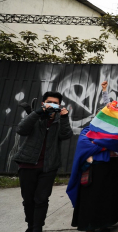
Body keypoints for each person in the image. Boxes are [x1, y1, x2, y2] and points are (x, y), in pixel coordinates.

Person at [68, 81, 118, 232]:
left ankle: (105, 223)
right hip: (94, 170)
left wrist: (99, 143)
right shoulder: (88, 129)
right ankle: (89, 225)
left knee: (108, 197)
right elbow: (84, 146)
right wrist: (107, 144)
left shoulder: (116, 132)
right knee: (91, 199)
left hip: (112, 169)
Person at [14, 91, 73, 232]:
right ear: (43, 103)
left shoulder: (59, 121)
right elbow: (21, 130)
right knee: (28, 200)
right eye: (49, 102)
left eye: (55, 103)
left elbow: (66, 135)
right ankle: (30, 225)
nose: (52, 105)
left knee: (41, 199)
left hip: (48, 166)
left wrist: (65, 118)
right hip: (27, 163)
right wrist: (37, 113)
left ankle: (37, 228)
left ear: (59, 106)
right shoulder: (35, 117)